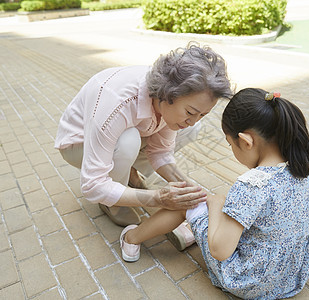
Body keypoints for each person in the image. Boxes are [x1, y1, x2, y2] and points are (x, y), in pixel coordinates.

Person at [119, 88, 309, 299]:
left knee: (190, 201)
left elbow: (220, 251)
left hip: (246, 280)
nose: (232, 150)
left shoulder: (252, 185)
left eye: (231, 144)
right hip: (293, 276)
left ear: (246, 141)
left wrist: (217, 203)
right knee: (225, 210)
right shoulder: (306, 169)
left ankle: (131, 238)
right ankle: (190, 230)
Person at [54, 42, 233, 249]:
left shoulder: (169, 101)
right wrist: (158, 198)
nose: (193, 119)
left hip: (131, 132)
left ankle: (126, 172)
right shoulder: (117, 101)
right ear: (168, 95)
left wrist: (191, 191)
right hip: (78, 144)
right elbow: (92, 185)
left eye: (203, 113)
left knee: (189, 129)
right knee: (128, 141)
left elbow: (160, 152)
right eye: (191, 112)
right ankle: (112, 203)